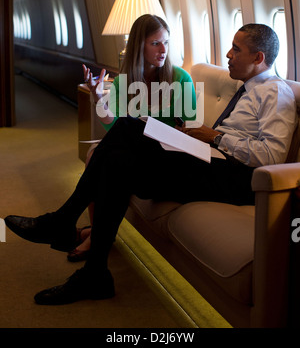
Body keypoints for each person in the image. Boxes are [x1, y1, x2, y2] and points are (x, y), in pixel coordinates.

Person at [5, 23, 297, 305]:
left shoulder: (276, 92)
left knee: (128, 128)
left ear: (259, 58)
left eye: (236, 49)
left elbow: (271, 157)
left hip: (239, 179)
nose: (228, 55)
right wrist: (198, 137)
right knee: (117, 161)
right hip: (215, 161)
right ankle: (93, 272)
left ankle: (63, 222)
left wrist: (215, 137)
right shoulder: (248, 88)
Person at [65, 14, 197, 261]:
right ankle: (97, 232)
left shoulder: (180, 78)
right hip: (134, 146)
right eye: (155, 43)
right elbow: (113, 127)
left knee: (105, 157)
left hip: (166, 151)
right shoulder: (124, 81)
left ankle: (91, 232)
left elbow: (190, 129)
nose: (163, 50)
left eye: (166, 43)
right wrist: (98, 100)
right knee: (96, 152)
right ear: (139, 45)